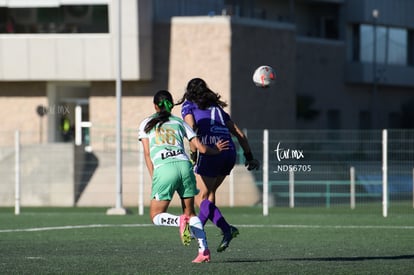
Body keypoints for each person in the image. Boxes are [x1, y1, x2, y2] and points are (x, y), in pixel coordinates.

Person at [138, 90, 229, 263]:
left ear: (155, 106)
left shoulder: (146, 124)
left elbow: (148, 154)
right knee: (191, 211)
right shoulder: (179, 122)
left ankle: (180, 221)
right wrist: (216, 149)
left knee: (156, 216)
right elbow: (201, 148)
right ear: (171, 105)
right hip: (185, 167)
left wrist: (154, 176)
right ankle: (204, 251)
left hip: (164, 169)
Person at [176, 78, 260, 253]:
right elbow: (239, 134)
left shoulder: (189, 105)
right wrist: (249, 156)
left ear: (189, 92)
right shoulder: (217, 108)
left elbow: (191, 131)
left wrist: (193, 156)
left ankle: (226, 228)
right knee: (209, 194)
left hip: (211, 151)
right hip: (229, 152)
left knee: (200, 198)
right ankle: (198, 229)